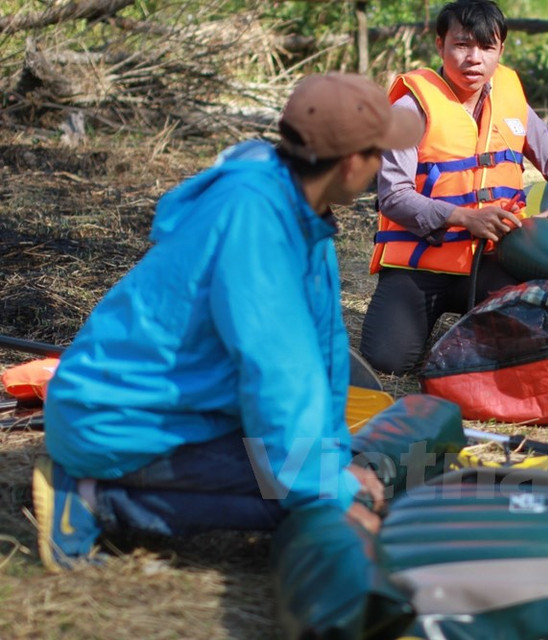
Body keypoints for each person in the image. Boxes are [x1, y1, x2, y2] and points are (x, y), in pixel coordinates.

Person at [31, 73, 424, 571]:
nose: (380, 167)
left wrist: (338, 461)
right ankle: (90, 495)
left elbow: (323, 353)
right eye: (377, 155)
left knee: (313, 480)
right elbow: (280, 372)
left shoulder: (304, 210)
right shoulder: (256, 220)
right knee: (290, 495)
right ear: (351, 162)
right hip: (116, 417)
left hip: (179, 410)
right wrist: (331, 488)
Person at [360, 0, 548, 375]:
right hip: (420, 264)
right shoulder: (409, 108)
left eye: (487, 47)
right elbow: (393, 197)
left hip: (493, 260)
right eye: (462, 45)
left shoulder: (511, 102)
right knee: (386, 362)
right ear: (440, 45)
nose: (474, 59)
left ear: (500, 50)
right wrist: (463, 217)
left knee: (533, 349)